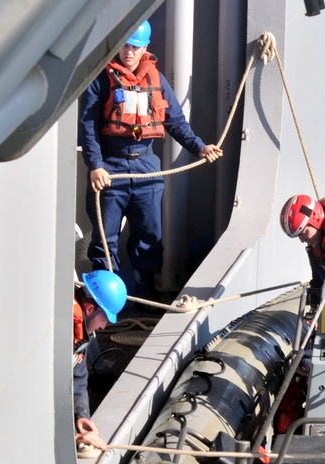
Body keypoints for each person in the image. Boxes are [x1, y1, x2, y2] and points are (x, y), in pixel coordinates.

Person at [78, 20, 223, 297]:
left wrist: (200, 147)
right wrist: (95, 166)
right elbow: (88, 127)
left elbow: (176, 121)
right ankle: (106, 301)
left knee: (149, 236)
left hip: (146, 168)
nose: (128, 52)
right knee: (104, 241)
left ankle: (146, 296)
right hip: (111, 166)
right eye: (124, 46)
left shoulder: (156, 79)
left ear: (145, 47)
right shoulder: (101, 79)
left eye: (134, 47)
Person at [73, 270, 128, 457]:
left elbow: (78, 378)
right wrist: (71, 435)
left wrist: (82, 417)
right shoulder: (61, 334)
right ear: (90, 309)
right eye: (104, 318)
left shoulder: (78, 336)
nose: (103, 327)